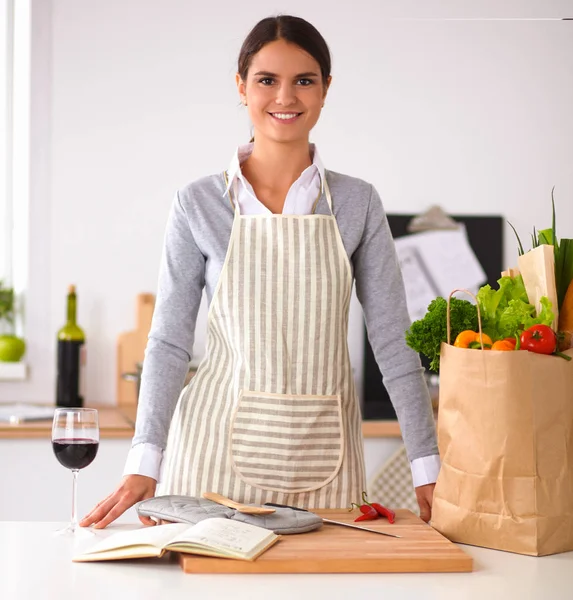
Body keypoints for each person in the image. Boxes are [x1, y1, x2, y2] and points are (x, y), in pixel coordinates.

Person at [80, 15, 440, 530]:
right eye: (267, 80)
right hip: (210, 458)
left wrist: (427, 465)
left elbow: (392, 340)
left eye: (304, 80)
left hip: (325, 461)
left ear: (325, 89)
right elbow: (169, 342)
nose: (285, 97)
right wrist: (145, 461)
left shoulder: (358, 203)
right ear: (242, 87)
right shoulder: (198, 202)